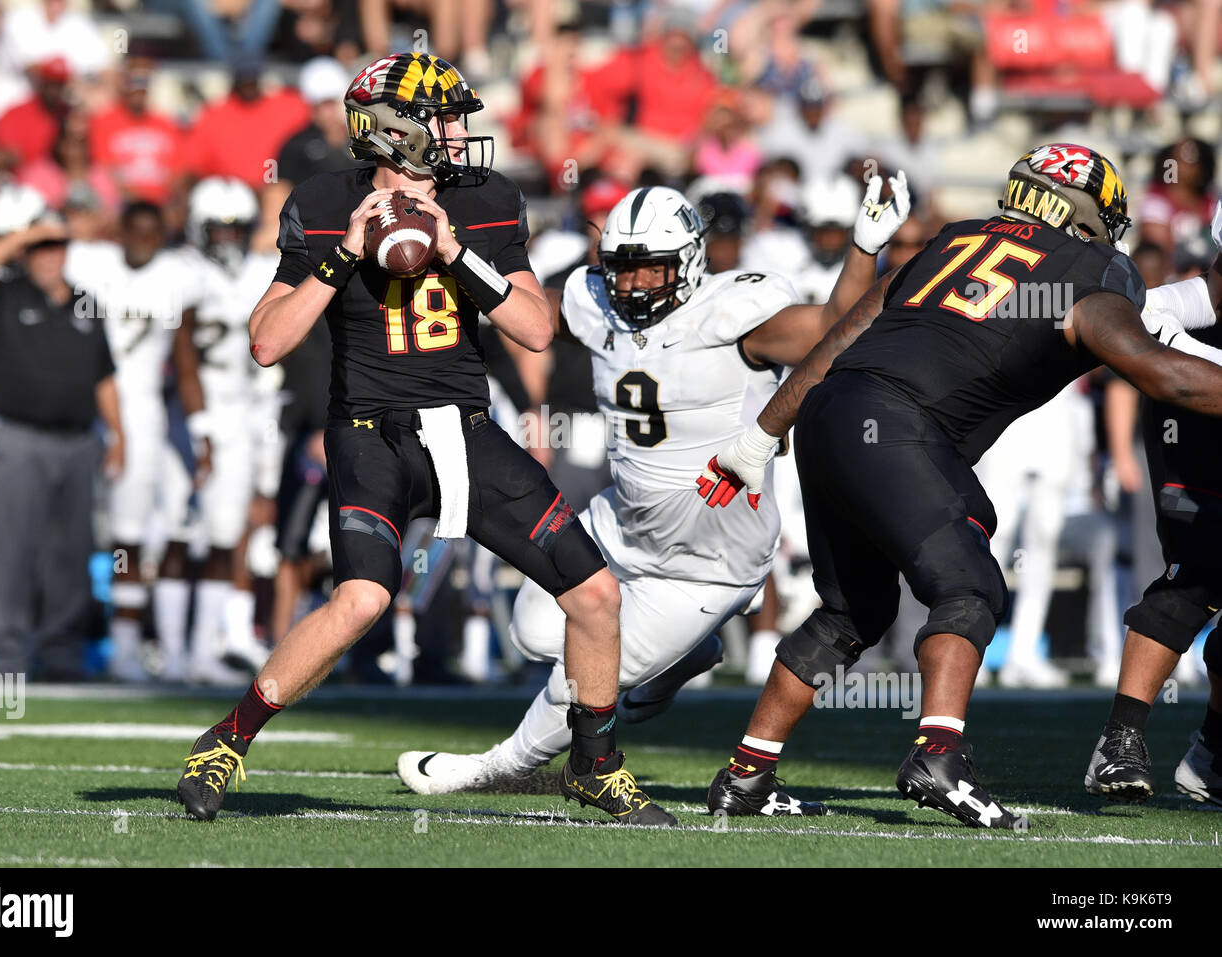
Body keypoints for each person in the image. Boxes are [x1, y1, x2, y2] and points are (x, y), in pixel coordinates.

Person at [175, 52, 673, 827]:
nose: (459, 132)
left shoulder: (488, 200)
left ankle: (596, 763)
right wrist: (342, 256)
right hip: (370, 431)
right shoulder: (324, 200)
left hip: (465, 432)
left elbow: (537, 331)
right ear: (393, 131)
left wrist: (454, 253)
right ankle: (225, 739)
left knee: (596, 593)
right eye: (444, 118)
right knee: (362, 598)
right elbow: (267, 341)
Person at [697, 142, 1222, 828]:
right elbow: (1166, 374)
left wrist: (760, 434)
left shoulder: (952, 240)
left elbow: (839, 339)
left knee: (851, 611)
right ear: (1095, 218)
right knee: (970, 583)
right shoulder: (1091, 269)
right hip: (901, 423)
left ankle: (746, 774)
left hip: (831, 414)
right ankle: (938, 752)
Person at [396, 175, 910, 809]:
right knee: (531, 631)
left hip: (707, 558)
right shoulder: (593, 300)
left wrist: (863, 249)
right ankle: (675, 662)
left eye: (652, 271)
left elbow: (836, 327)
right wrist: (449, 258)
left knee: (581, 680)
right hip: (623, 524)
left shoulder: (733, 314)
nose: (634, 286)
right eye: (623, 270)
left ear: (690, 261)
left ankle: (495, 767)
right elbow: (527, 317)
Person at [0, 184, 122, 678]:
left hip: (79, 441)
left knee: (71, 554)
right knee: (9, 551)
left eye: (56, 245)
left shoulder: (86, 302)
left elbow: (105, 377)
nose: (48, 255)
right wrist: (28, 234)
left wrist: (119, 435)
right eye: (39, 247)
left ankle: (61, 656)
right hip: (18, 437)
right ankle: (4, 657)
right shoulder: (1, 293)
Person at [1084, 202, 1222, 807]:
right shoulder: (1171, 304)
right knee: (1195, 575)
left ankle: (1212, 754)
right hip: (1193, 448)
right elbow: (1149, 346)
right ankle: (1120, 740)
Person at [64, 200, 208, 683]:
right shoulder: (90, 261)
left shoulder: (178, 274)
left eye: (153, 231)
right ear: (119, 230)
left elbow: (186, 359)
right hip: (82, 405)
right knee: (75, 526)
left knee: (131, 530)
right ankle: (70, 640)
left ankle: (124, 646)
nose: (144, 239)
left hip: (142, 411)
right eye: (136, 229)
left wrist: (199, 427)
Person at [154, 177, 280, 682]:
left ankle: (205, 650)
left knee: (227, 534)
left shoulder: (262, 271)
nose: (227, 239)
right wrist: (200, 423)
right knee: (179, 530)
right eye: (218, 230)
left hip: (246, 408)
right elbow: (182, 351)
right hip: (190, 407)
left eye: (236, 230)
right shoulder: (181, 270)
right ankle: (170, 651)